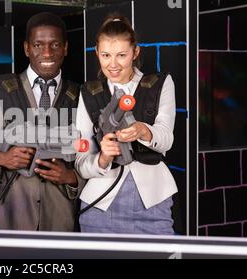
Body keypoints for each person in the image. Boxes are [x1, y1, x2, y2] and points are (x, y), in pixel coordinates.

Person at [0, 12, 84, 231]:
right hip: (10, 219)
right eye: (38, 44)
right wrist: (0, 158)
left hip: (60, 222)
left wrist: (72, 177)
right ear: (26, 48)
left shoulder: (81, 96)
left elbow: (95, 156)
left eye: (55, 45)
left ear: (65, 48)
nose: (46, 52)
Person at [75, 14, 178, 234]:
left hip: (152, 201)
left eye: (121, 55)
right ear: (97, 53)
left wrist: (144, 131)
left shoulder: (160, 84)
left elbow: (166, 139)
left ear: (135, 52)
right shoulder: (88, 93)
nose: (113, 64)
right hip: (100, 205)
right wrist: (103, 158)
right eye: (106, 55)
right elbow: (81, 162)